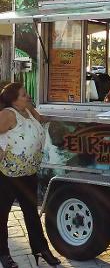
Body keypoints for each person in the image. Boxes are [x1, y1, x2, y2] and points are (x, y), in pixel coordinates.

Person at [0, 83, 61, 268]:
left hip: (28, 173)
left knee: (31, 213)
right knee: (2, 215)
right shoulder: (8, 114)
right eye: (24, 95)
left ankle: (41, 250)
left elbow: (41, 119)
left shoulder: (27, 108)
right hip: (8, 175)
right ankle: (3, 254)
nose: (28, 97)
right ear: (13, 99)